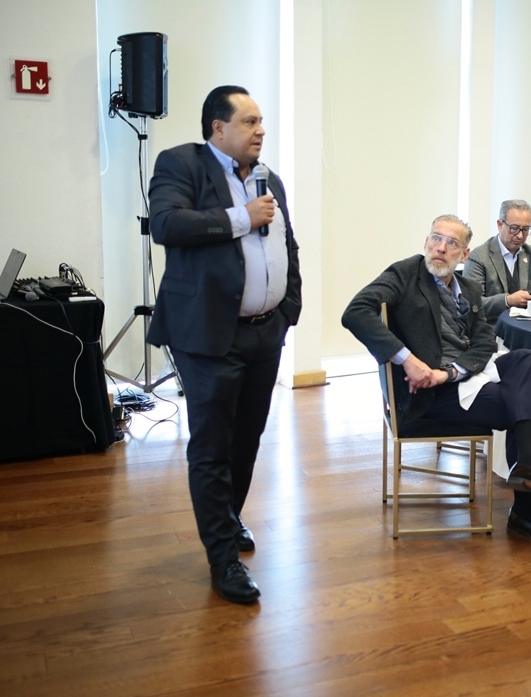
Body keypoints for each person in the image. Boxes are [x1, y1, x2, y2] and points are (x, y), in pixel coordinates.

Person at [147, 85, 302, 604]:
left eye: (261, 122)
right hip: (210, 333)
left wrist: (288, 310)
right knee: (212, 446)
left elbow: (287, 244)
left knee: (247, 439)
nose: (261, 131)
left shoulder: (268, 178)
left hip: (266, 331)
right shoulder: (182, 164)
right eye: (250, 122)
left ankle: (228, 516)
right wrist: (242, 218)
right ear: (218, 128)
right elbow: (167, 225)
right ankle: (222, 559)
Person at [342, 215, 531, 545]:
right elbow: (355, 312)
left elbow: (483, 342)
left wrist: (452, 372)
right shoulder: (405, 274)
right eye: (436, 238)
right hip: (426, 393)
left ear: (465, 254)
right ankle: (526, 503)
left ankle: (528, 466)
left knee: (527, 358)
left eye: (451, 243)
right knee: (524, 403)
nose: (441, 247)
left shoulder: (467, 288)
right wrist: (407, 359)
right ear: (426, 242)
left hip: (459, 377)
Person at [463, 199, 531, 322]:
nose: (520, 235)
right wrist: (507, 301)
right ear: (500, 225)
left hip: (529, 325)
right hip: (494, 328)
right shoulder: (479, 257)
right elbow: (472, 303)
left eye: (525, 229)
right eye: (514, 228)